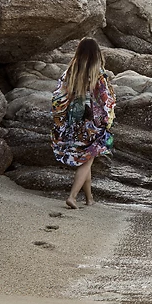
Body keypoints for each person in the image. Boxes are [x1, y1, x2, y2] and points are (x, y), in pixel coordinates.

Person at [50, 39, 117, 209]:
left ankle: (89, 198)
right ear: (97, 54)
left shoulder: (70, 72)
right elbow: (106, 100)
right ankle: (72, 197)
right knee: (87, 160)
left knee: (87, 157)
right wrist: (108, 119)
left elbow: (59, 95)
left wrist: (61, 119)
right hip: (93, 123)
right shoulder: (99, 74)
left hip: (74, 121)